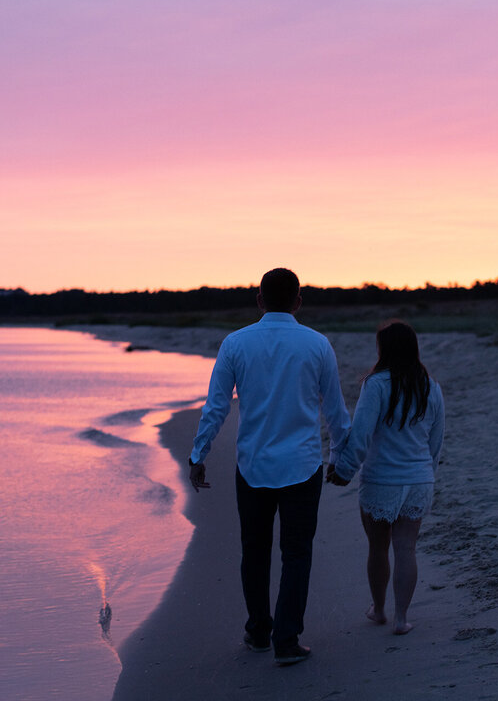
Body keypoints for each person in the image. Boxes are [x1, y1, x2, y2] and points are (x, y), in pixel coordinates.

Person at [189, 268, 351, 665]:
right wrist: (340, 459)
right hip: (302, 463)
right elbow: (336, 412)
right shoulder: (317, 344)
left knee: (255, 552)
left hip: (254, 466)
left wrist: (199, 454)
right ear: (298, 301)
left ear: (259, 300)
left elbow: (217, 406)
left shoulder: (236, 343)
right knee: (296, 553)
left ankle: (259, 631)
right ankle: (287, 639)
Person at [327, 320, 444, 635]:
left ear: (384, 349)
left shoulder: (376, 384)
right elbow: (436, 441)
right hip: (419, 480)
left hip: (382, 479)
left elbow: (361, 434)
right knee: (406, 547)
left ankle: (379, 610)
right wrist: (426, 475)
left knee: (378, 548)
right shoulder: (431, 386)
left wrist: (343, 471)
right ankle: (401, 619)